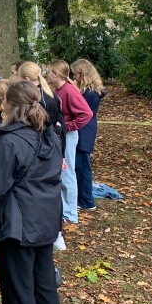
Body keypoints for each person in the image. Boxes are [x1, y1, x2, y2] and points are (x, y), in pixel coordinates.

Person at [0, 81, 65, 304]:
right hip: (45, 220)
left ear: (10, 105)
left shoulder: (9, 141)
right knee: (44, 287)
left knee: (19, 292)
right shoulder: (51, 135)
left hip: (17, 226)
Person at [47, 60, 93, 226]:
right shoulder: (58, 90)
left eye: (49, 72)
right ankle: (63, 210)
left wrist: (68, 127)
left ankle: (70, 214)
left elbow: (86, 113)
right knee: (62, 171)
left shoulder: (69, 90)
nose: (47, 75)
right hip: (61, 134)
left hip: (68, 135)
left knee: (67, 173)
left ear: (56, 74)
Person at [70, 59, 107, 211]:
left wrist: (74, 91)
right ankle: (82, 198)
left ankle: (86, 200)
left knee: (82, 167)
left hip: (85, 131)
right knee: (79, 165)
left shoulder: (90, 93)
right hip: (84, 129)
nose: (74, 77)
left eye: (76, 74)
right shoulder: (87, 91)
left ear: (82, 74)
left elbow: (81, 109)